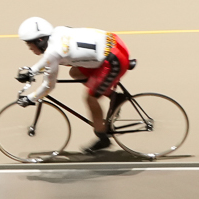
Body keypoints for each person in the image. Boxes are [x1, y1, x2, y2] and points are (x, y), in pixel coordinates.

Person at [14, 17, 130, 155]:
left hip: (114, 60)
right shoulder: (58, 32)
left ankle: (102, 137)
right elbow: (49, 59)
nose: (29, 48)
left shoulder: (53, 53)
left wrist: (30, 98)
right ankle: (115, 97)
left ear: (40, 41)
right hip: (114, 43)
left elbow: (48, 86)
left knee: (90, 98)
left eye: (29, 44)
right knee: (75, 72)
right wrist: (32, 71)